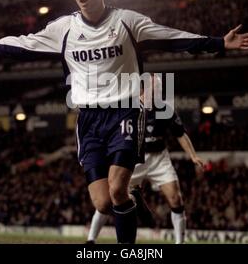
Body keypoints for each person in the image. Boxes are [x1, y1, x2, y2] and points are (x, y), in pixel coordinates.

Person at [0, 0, 248, 243]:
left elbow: (173, 38)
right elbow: (25, 45)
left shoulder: (127, 22)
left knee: (117, 188)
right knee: (102, 203)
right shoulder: (64, 29)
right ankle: (134, 210)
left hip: (125, 110)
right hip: (88, 120)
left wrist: (219, 43)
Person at [87, 93, 205, 244]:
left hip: (159, 158)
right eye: (150, 87)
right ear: (141, 91)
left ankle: (179, 242)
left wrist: (193, 156)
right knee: (112, 197)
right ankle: (91, 239)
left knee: (176, 198)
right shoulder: (128, 108)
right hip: (135, 157)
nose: (154, 91)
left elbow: (180, 134)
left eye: (157, 88)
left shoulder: (165, 109)